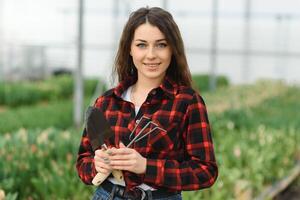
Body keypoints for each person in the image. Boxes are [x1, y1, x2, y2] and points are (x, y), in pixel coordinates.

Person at [76, 6, 218, 200]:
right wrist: (97, 165)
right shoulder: (107, 102)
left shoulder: (187, 102)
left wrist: (145, 166)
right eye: (142, 45)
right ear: (130, 49)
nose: (151, 54)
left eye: (161, 44)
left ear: (173, 50)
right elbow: (83, 162)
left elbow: (205, 171)